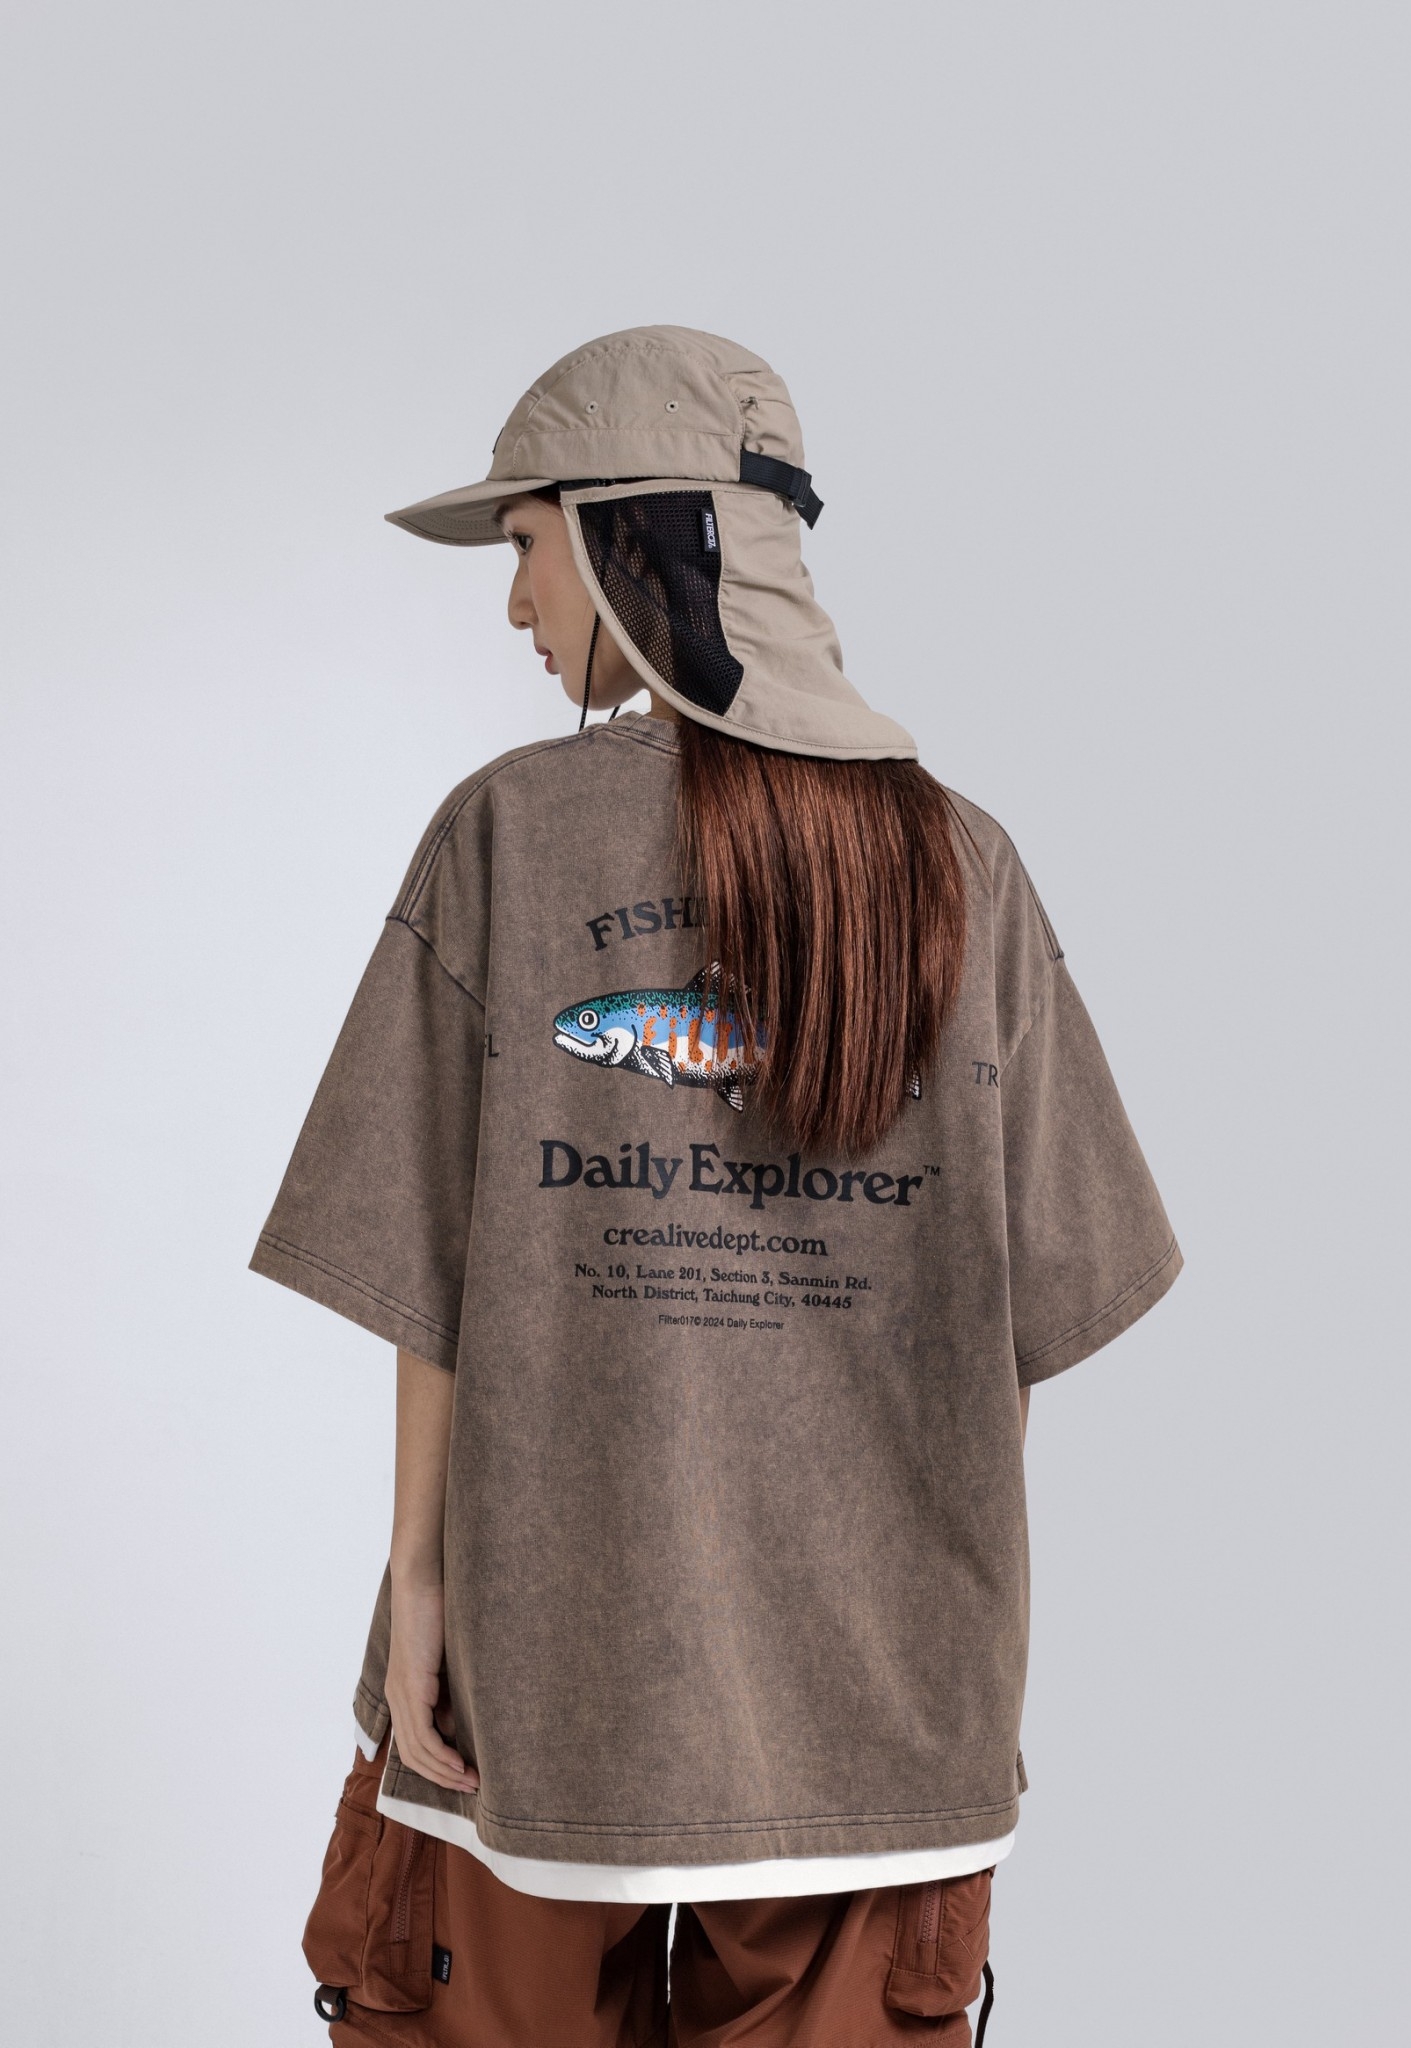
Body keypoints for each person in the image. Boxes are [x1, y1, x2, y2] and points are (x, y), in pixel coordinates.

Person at [251, 326, 1182, 2047]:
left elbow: (426, 1275)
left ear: (632, 536)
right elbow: (1022, 1323)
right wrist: (942, 1641)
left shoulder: (506, 835)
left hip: (538, 1673)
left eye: (524, 543)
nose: (512, 604)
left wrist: (421, 1590)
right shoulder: (965, 865)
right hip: (877, 1708)